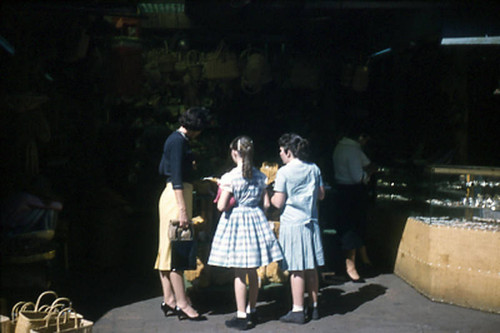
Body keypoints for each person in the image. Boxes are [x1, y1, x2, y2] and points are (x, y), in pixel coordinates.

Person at [208, 136, 283, 331]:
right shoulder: (260, 176)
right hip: (255, 219)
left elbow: (222, 206)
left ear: (234, 153)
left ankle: (242, 315)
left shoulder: (230, 177)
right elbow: (266, 204)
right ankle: (252, 310)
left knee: (239, 272)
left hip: (237, 222)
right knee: (253, 270)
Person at [154, 106, 210, 321]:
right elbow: (176, 176)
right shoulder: (178, 141)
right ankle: (182, 303)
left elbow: (163, 169)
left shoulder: (174, 140)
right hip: (176, 197)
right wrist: (183, 210)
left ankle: (169, 298)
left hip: (173, 195)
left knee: (167, 249)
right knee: (177, 248)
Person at [270, 133, 325, 324]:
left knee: (296, 269)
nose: (280, 155)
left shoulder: (284, 172)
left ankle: (298, 309)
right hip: (311, 222)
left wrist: (269, 197)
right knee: (311, 267)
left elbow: (278, 202)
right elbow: (321, 195)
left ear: (288, 151)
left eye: (281, 151)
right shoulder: (314, 168)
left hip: (293, 224)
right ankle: (315, 306)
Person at [332, 129, 377, 282]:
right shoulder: (353, 150)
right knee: (352, 228)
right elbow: (358, 177)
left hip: (342, 191)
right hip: (352, 193)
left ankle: (359, 261)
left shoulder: (340, 147)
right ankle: (350, 266)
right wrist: (368, 175)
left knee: (346, 227)